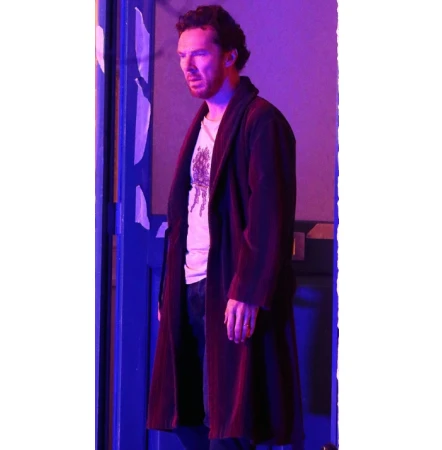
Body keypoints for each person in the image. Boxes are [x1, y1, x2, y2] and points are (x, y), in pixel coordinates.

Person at [147, 5, 305, 450]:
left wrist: (248, 290)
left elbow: (269, 214)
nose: (188, 66)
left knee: (231, 428)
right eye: (182, 56)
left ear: (230, 56)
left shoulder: (261, 121)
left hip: (229, 291)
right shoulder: (200, 125)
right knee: (190, 420)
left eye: (199, 54)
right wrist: (168, 293)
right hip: (190, 287)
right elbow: (183, 216)